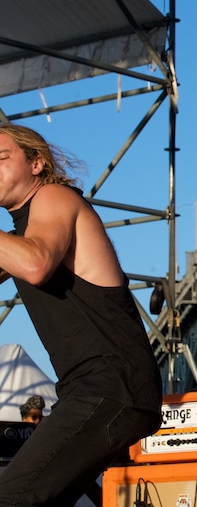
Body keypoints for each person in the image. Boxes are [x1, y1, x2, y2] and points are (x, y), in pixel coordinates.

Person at [0, 124, 162, 505]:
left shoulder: (54, 198)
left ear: (36, 163)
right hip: (96, 391)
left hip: (110, 386)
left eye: (1, 159)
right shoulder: (23, 232)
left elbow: (36, 263)